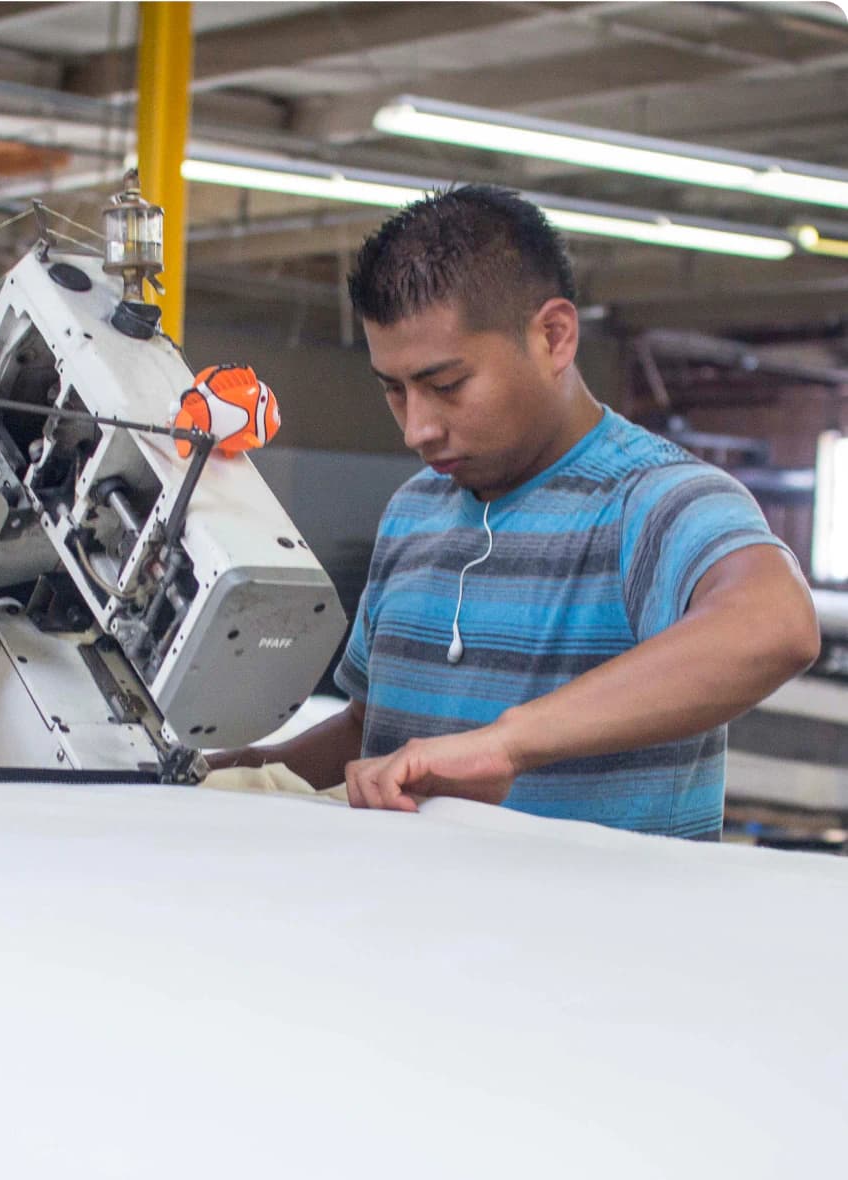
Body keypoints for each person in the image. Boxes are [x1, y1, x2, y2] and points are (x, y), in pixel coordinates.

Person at [211, 185, 819, 839]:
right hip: (403, 927)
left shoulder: (654, 498)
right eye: (394, 389)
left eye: (446, 386)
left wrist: (507, 743)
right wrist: (242, 773)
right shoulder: (412, 511)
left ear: (553, 336)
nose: (417, 429)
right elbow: (372, 728)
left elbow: (774, 625)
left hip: (591, 936)